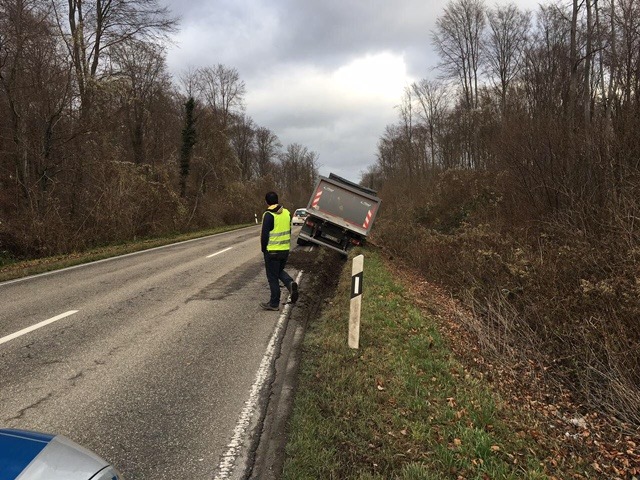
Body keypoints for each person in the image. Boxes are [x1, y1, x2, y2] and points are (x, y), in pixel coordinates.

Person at [260, 191, 299, 311]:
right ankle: (289, 283)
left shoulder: (268, 215)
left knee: (272, 277)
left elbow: (264, 235)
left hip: (272, 251)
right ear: (277, 200)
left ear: (266, 202)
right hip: (285, 250)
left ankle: (274, 303)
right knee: (278, 271)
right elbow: (289, 229)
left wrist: (263, 249)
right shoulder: (287, 213)